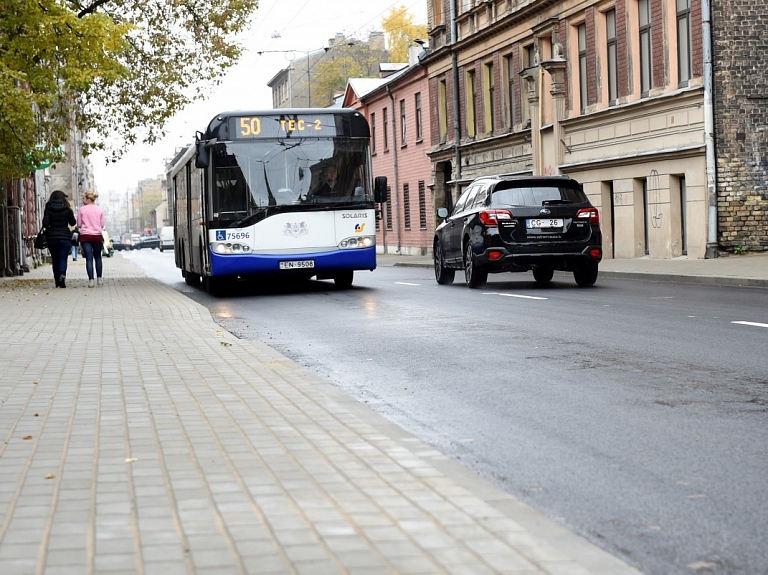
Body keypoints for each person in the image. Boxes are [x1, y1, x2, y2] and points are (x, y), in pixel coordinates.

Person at [42, 190, 76, 288]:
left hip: (52, 237)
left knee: (55, 259)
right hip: (65, 237)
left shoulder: (48, 208)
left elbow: (45, 223)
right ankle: (62, 275)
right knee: (63, 259)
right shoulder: (67, 208)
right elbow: (72, 223)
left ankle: (57, 280)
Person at [77, 191, 106, 288]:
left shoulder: (81, 210)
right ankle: (100, 279)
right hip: (97, 235)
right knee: (98, 257)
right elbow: (102, 225)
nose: (83, 200)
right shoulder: (99, 210)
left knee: (89, 258)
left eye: (84, 198)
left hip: (85, 236)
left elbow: (79, 225)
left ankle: (91, 281)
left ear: (88, 199)